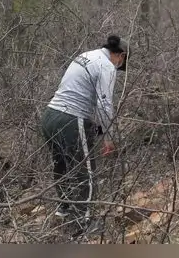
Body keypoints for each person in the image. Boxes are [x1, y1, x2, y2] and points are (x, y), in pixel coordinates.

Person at [40, 35, 129, 230]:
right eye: (121, 64)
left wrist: (96, 131)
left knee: (61, 166)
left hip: (49, 116)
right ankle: (83, 224)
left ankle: (63, 210)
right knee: (86, 172)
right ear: (120, 56)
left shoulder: (86, 55)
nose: (118, 68)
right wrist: (108, 137)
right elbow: (104, 105)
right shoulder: (106, 66)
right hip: (71, 119)